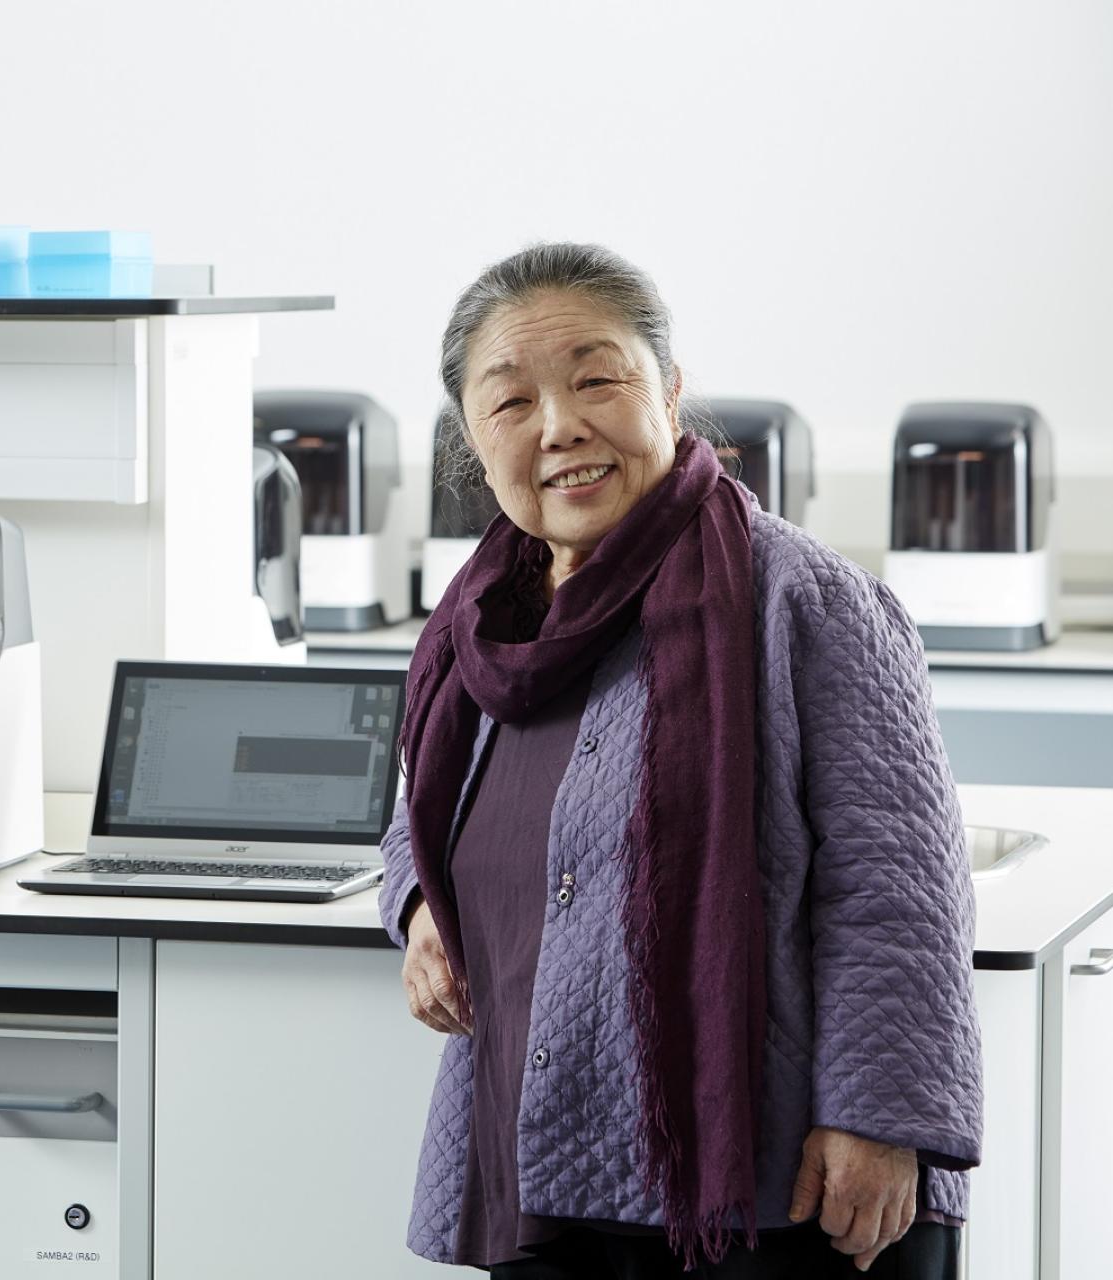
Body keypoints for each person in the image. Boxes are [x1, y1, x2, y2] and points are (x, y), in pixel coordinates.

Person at [379, 242, 982, 1278]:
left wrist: (880, 1119)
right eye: (511, 401)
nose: (560, 424)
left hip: (765, 1177)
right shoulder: (481, 623)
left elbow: (897, 888)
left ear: (666, 388)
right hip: (539, 1150)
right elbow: (417, 817)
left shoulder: (801, 597)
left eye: (595, 377)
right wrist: (420, 904)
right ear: (475, 443)